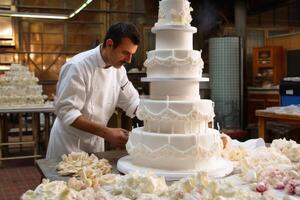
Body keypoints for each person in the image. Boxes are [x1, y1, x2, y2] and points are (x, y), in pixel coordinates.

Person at [46, 22, 140, 160]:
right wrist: (106, 133)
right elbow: (67, 112)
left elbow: (132, 101)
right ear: (109, 44)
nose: (129, 60)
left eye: (132, 54)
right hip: (69, 144)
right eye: (125, 53)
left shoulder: (119, 71)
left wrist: (155, 119)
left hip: (95, 142)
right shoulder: (78, 66)